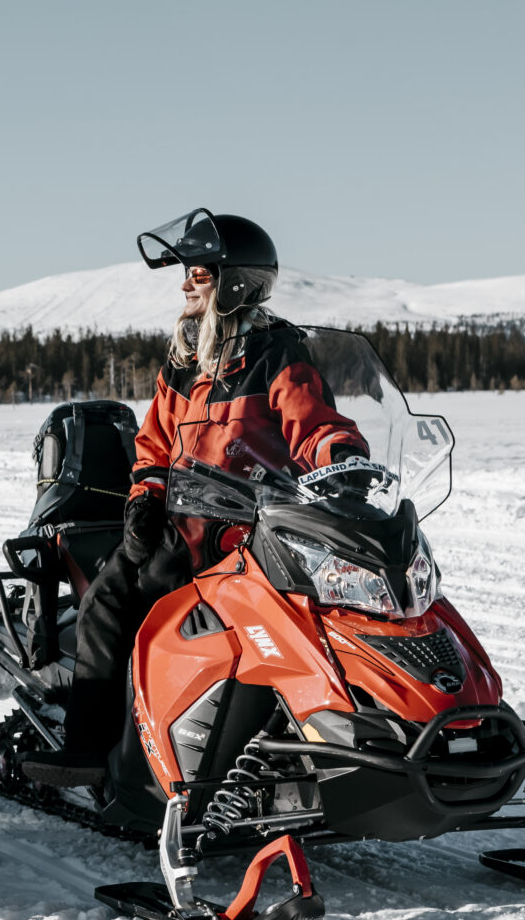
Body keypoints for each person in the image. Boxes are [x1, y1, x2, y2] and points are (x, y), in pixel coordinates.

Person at [21, 212, 369, 786]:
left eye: (198, 274)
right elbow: (154, 443)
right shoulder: (185, 362)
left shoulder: (276, 353)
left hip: (250, 537)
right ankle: (90, 748)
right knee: (107, 601)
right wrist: (143, 498)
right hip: (180, 534)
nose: (186, 284)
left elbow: (317, 426)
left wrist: (346, 466)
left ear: (233, 283)